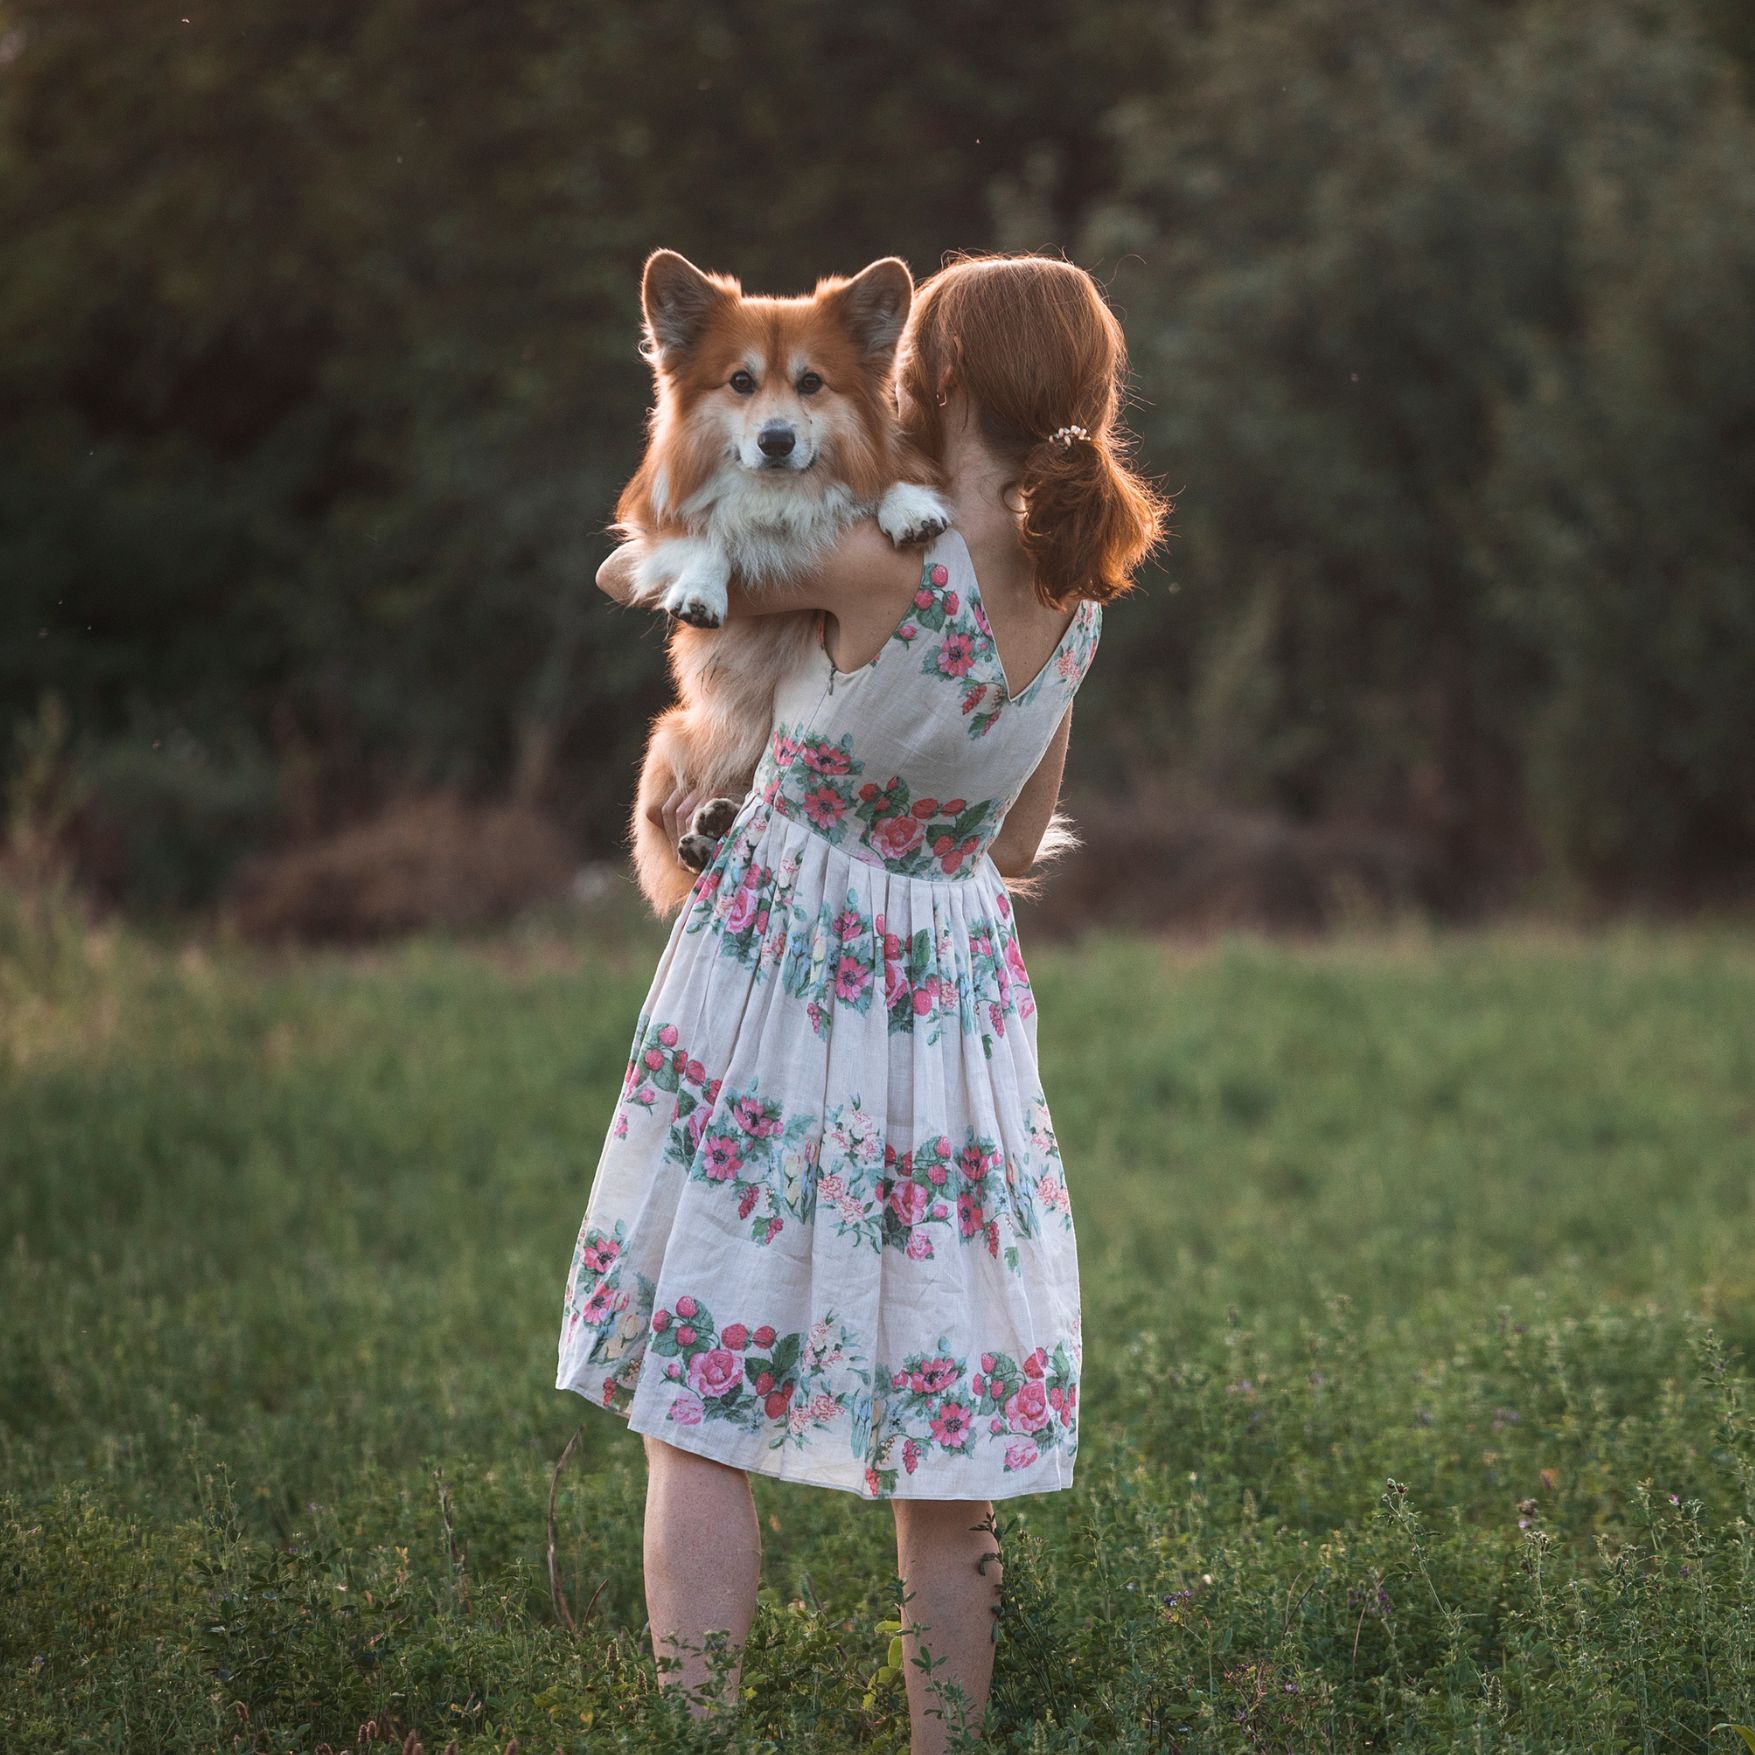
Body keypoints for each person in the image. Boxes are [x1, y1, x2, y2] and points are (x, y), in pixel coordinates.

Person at [562, 252, 1167, 1752]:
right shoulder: (1073, 597)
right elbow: (1018, 842)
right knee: (945, 1426)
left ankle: (700, 1734)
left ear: (938, 380)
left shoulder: (876, 559)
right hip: (954, 1003)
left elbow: (637, 564)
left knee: (701, 1389)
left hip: (784, 974)